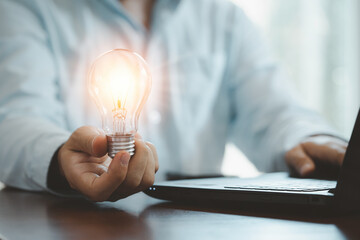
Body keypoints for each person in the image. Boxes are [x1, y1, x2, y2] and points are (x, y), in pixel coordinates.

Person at [0, 0, 348, 202]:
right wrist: (62, 157)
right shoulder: (28, 8)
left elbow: (275, 111)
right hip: (78, 227)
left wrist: (316, 141)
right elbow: (14, 120)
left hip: (193, 222)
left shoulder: (220, 16)